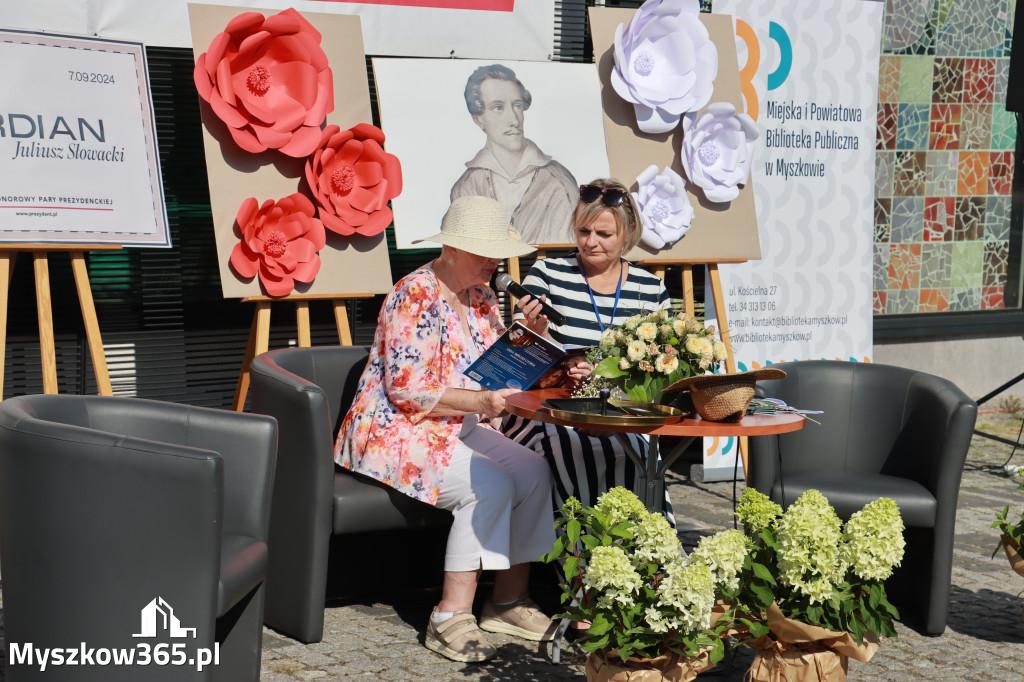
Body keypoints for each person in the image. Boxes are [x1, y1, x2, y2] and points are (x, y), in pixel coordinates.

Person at [334, 196, 558, 664]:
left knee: (535, 470)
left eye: (497, 251)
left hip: (456, 422)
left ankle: (508, 602)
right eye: (485, 251)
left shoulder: (482, 296)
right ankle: (449, 617)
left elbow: (489, 367)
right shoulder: (413, 293)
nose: (495, 261)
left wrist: (525, 337)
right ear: (452, 248)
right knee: (489, 482)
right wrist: (479, 402)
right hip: (395, 427)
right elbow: (405, 391)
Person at [502, 178, 675, 519]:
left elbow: (662, 371)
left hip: (621, 410)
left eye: (604, 234)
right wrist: (537, 333)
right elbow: (514, 361)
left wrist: (606, 382)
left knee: (638, 450)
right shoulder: (547, 272)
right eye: (583, 231)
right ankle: (579, 555)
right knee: (571, 447)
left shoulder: (650, 288)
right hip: (548, 410)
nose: (591, 242)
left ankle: (645, 555)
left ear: (627, 233)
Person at [450, 63, 578, 246]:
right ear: (478, 119)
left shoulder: (558, 181)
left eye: (517, 106)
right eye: (498, 107)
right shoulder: (467, 186)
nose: (514, 119)